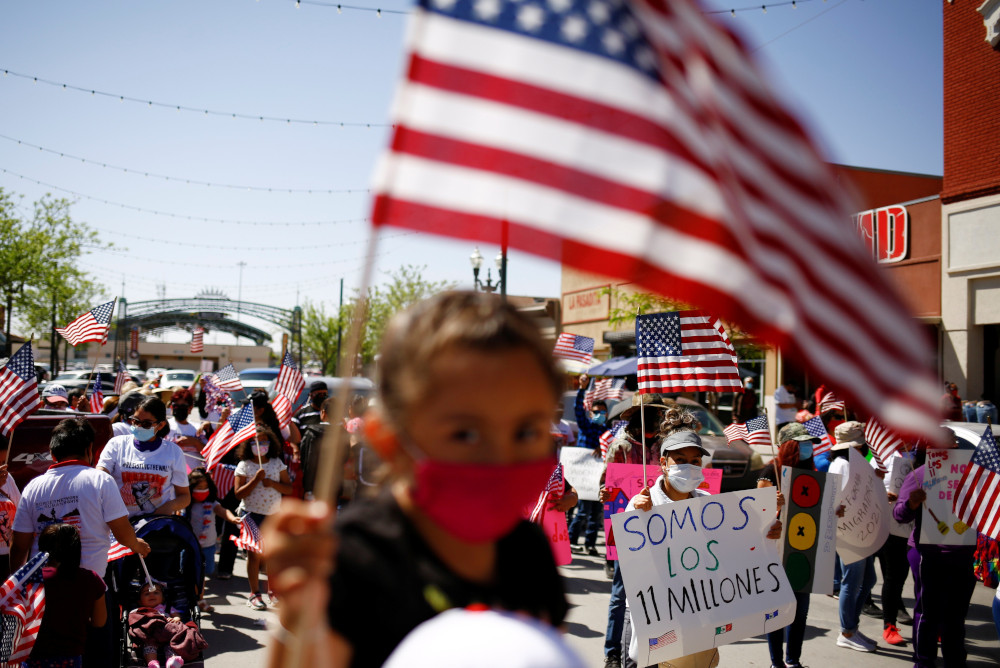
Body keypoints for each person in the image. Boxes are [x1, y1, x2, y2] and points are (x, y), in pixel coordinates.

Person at [261, 291, 568, 668]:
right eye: (466, 434)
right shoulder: (351, 557)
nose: (500, 460)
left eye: (525, 432)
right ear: (390, 440)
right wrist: (297, 616)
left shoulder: (527, 551)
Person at [621, 428, 783, 668]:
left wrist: (768, 533)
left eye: (695, 461)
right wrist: (636, 513)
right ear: (664, 463)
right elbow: (632, 558)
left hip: (695, 616)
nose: (689, 466)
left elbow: (736, 545)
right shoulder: (644, 504)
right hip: (651, 618)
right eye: (681, 460)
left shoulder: (708, 504)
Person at [11, 417, 151, 574]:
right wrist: (137, 545)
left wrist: (17, 586)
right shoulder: (101, 480)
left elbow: (19, 546)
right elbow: (122, 533)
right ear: (89, 449)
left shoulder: (32, 487)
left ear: (52, 453)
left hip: (42, 585)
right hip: (88, 584)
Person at [598, 395, 672, 668]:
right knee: (620, 594)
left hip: (660, 529)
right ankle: (612, 652)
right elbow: (605, 486)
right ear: (635, 416)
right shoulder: (621, 446)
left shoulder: (665, 447)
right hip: (628, 528)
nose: (655, 417)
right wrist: (605, 493)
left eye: (656, 413)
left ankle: (651, 648)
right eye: (649, 413)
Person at [893, 444, 976, 667]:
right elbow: (899, 514)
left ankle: (955, 659)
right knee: (928, 613)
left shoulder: (973, 476)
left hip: (962, 556)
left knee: (956, 616)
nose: (949, 451)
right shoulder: (918, 475)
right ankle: (924, 660)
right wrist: (912, 503)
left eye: (952, 446)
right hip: (928, 555)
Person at [757, 434, 814, 668]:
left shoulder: (811, 474)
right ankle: (776, 662)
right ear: (791, 446)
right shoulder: (771, 472)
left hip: (802, 551)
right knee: (776, 612)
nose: (809, 448)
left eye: (810, 444)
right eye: (804, 444)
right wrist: (773, 506)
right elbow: (757, 513)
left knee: (800, 613)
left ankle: (793, 660)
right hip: (775, 553)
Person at [828, 421, 882, 652]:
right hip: (850, 532)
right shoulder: (842, 465)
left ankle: (852, 626)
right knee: (852, 581)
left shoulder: (851, 464)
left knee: (867, 580)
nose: (863, 449)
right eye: (860, 446)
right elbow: (835, 499)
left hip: (859, 531)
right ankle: (847, 631)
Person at [23, 524, 107, 668]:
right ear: (76, 549)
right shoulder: (91, 580)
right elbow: (99, 622)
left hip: (32, 657)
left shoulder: (28, 580)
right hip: (70, 658)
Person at [97, 396, 191, 517]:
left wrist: (169, 507)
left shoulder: (173, 452)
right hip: (119, 523)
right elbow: (100, 477)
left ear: (161, 425)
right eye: (135, 421)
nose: (139, 426)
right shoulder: (116, 444)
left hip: (155, 525)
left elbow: (184, 497)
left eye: (146, 424)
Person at [234, 425, 293, 611]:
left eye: (264, 441)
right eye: (255, 442)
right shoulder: (244, 465)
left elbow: (288, 488)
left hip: (273, 515)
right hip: (251, 514)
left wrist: (273, 484)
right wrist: (256, 480)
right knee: (255, 555)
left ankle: (273, 591)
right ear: (249, 444)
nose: (260, 445)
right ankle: (254, 593)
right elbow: (238, 494)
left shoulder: (277, 463)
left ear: (270, 443)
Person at [183, 468, 239, 613]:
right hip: (190, 545)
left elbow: (222, 511)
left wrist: (232, 518)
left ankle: (197, 598)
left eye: (205, 488)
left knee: (206, 571)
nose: (202, 491)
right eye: (198, 488)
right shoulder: (186, 505)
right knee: (194, 574)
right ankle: (197, 599)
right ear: (191, 488)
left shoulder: (213, 503)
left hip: (208, 545)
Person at [569, 375, 609, 556]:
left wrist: (602, 448)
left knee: (596, 513)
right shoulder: (586, 426)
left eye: (603, 411)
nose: (600, 414)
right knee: (583, 511)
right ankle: (571, 540)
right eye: (597, 412)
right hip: (584, 478)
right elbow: (578, 410)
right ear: (591, 413)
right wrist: (582, 389)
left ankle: (590, 544)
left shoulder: (607, 432)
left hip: (600, 478)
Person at [127, 581, 208, 668]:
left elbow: (177, 617)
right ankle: (152, 663)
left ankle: (172, 660)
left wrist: (174, 619)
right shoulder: (140, 610)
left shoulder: (166, 608)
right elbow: (134, 620)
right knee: (149, 645)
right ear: (140, 601)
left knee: (172, 645)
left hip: (167, 633)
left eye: (156, 592)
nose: (152, 595)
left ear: (162, 598)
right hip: (150, 634)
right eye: (147, 594)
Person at [0, 437, 22, 580]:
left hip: (7, 559)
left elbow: (22, 515)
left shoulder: (8, 479)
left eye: (3, 463)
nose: (1, 468)